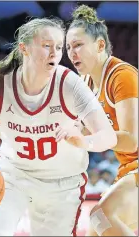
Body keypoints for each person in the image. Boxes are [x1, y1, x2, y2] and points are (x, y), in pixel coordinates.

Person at [0, 17, 117, 236]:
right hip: (13, 176)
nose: (55, 53)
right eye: (47, 45)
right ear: (24, 48)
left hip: (62, 185)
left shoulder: (69, 83)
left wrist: (84, 140)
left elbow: (108, 136)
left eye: (59, 47)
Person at [66, 5, 138, 236]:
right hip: (128, 168)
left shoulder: (121, 76)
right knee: (97, 229)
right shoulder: (85, 83)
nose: (72, 53)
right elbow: (81, 132)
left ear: (99, 45)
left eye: (78, 45)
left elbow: (131, 141)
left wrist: (85, 140)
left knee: (101, 216)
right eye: (68, 47)